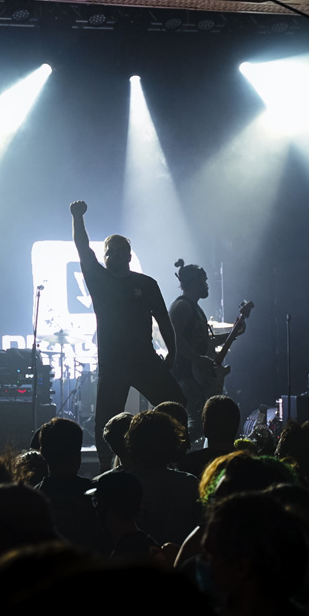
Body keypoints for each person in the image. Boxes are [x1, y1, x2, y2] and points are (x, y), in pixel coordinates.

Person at [70, 201, 186, 469]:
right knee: (105, 422)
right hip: (113, 363)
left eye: (123, 252)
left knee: (176, 404)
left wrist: (173, 353)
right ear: (106, 256)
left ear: (130, 256)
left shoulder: (146, 284)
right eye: (112, 252)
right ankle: (104, 469)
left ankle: (175, 459)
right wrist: (77, 217)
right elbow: (83, 248)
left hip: (144, 359)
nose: (118, 256)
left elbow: (164, 321)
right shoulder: (98, 278)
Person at [168, 259, 215, 439]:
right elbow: (174, 340)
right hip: (185, 374)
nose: (206, 285)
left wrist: (234, 332)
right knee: (192, 424)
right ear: (194, 282)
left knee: (198, 424)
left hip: (194, 375)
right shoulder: (183, 306)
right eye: (203, 281)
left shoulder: (195, 308)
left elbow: (202, 340)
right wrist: (197, 358)